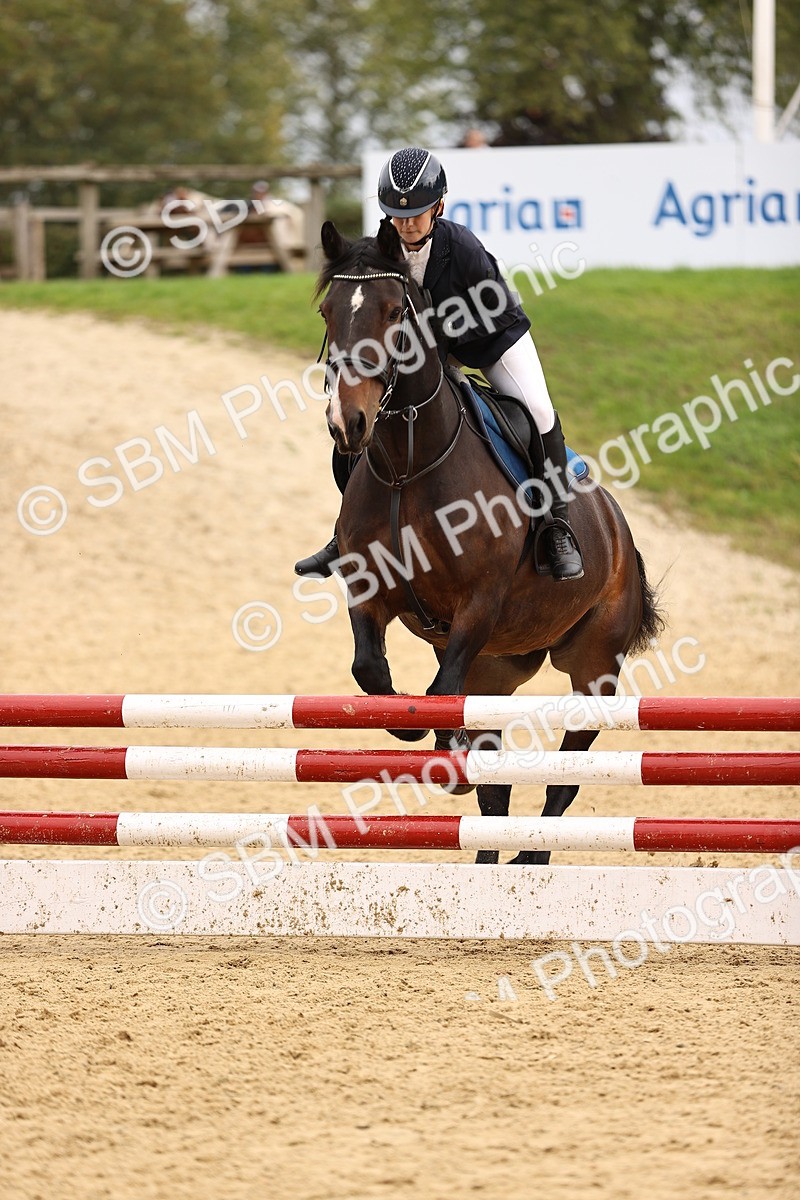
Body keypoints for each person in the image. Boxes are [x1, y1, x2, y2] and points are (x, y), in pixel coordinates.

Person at [295, 146, 584, 581]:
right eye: (397, 215)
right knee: (365, 421)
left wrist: (437, 350)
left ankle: (557, 525)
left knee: (539, 412)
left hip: (491, 337)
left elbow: (487, 311)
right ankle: (345, 535)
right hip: (427, 350)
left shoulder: (462, 248)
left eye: (417, 214)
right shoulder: (382, 252)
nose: (407, 224)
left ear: (439, 208)